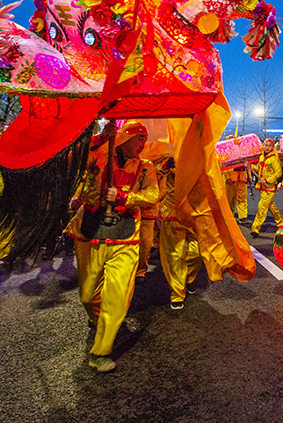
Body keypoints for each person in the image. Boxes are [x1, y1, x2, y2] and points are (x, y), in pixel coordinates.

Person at [64, 120, 159, 372]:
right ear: (124, 138)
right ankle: (102, 321)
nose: (143, 144)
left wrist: (125, 197)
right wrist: (100, 138)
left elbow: (152, 195)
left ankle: (101, 351)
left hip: (126, 236)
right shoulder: (98, 155)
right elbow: (72, 159)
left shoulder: (146, 167)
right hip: (91, 232)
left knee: (116, 296)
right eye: (139, 138)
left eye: (145, 139)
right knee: (88, 296)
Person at [157, 158, 205, 309]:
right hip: (173, 215)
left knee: (198, 252)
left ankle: (188, 278)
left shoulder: (199, 159)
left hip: (194, 215)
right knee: (175, 256)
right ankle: (177, 293)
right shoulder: (167, 161)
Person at [250, 138, 283, 238]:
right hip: (262, 187)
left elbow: (279, 173)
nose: (267, 147)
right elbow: (258, 169)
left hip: (269, 187)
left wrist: (267, 180)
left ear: (273, 147)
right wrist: (249, 165)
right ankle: (281, 224)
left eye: (269, 146)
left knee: (261, 207)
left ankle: (255, 229)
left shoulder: (274, 158)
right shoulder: (261, 157)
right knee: (272, 207)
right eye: (265, 145)